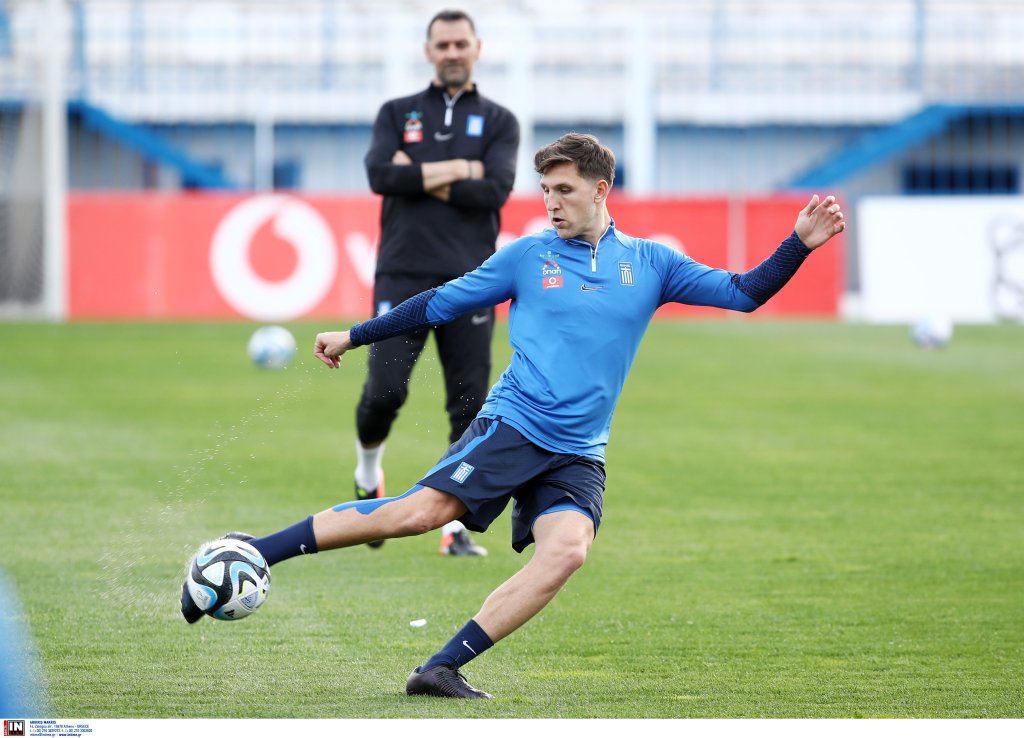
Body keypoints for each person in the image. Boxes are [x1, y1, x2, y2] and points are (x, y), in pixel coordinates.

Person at [180, 133, 846, 699]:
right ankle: (255, 549)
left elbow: (743, 292)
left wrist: (798, 243)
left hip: (580, 449)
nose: (551, 202)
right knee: (419, 515)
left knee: (568, 552)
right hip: (514, 426)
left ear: (601, 189)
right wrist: (354, 336)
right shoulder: (529, 257)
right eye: (546, 190)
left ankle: (440, 668)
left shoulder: (652, 264)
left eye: (564, 190)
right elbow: (437, 303)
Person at [355, 8, 519, 556]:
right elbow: (381, 175)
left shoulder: (499, 121)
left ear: (477, 48)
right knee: (384, 391)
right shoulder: (396, 112)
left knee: (469, 406)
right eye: (442, 44)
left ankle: (452, 529)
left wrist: (419, 172)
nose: (452, 52)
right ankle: (367, 471)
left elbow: (494, 190)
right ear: (428, 51)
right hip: (402, 272)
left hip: (473, 279)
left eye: (460, 43)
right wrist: (461, 168)